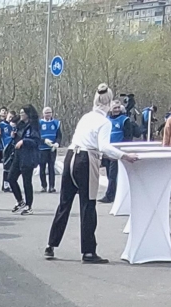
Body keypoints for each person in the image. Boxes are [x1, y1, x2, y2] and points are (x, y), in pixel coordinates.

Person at [46, 84, 138, 264]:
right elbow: (104, 146)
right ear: (109, 102)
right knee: (88, 205)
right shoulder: (105, 122)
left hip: (71, 155)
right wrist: (124, 156)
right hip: (86, 160)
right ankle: (88, 251)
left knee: (64, 203)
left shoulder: (85, 117)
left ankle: (51, 244)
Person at [99, 101, 137, 203]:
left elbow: (128, 136)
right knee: (108, 174)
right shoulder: (106, 120)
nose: (116, 110)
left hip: (118, 151)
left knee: (113, 174)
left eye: (118, 108)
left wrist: (123, 150)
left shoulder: (124, 120)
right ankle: (114, 193)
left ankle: (110, 196)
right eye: (114, 108)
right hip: (107, 150)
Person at [7, 105, 41, 214]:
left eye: (23, 113)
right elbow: (17, 137)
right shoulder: (20, 125)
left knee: (27, 182)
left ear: (28, 114)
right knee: (11, 178)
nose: (21, 115)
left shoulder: (34, 125)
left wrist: (24, 141)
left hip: (28, 156)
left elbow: (36, 141)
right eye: (20, 112)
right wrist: (14, 136)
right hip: (18, 155)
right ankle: (20, 201)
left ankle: (29, 206)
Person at [39, 106, 62, 193]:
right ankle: (44, 186)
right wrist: (44, 140)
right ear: (43, 114)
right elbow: (36, 136)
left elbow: (59, 135)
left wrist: (57, 143)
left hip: (52, 149)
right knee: (42, 167)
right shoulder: (39, 123)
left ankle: (52, 186)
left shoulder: (56, 123)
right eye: (46, 113)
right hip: (42, 149)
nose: (48, 114)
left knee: (51, 167)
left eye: (49, 112)